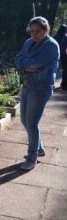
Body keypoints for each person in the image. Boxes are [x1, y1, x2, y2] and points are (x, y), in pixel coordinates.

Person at [15, 16, 60, 171]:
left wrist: (24, 64)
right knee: (24, 120)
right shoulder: (29, 42)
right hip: (27, 84)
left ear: (47, 30)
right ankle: (39, 148)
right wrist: (25, 66)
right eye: (32, 31)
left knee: (32, 123)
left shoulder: (51, 46)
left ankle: (32, 157)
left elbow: (36, 63)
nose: (34, 34)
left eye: (38, 31)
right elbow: (18, 58)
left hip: (41, 88)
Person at [53, 24, 67, 90]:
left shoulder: (55, 36)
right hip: (64, 55)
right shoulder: (66, 37)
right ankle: (64, 84)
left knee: (54, 69)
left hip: (55, 55)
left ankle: (51, 83)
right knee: (65, 70)